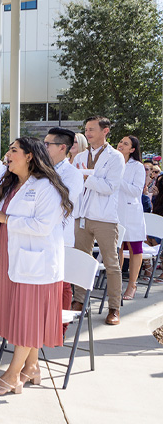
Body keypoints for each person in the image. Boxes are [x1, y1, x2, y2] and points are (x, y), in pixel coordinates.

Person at [0, 137, 72, 395]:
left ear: (30, 156)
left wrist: (3, 219)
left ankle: (12, 376)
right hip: (11, 259)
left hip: (36, 264)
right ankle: (31, 367)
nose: (8, 155)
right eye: (8, 150)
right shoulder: (12, 185)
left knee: (27, 319)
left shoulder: (45, 188)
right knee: (18, 315)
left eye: (14, 150)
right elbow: (5, 219)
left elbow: (42, 226)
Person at [71, 116, 125, 325]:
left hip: (104, 218)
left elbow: (110, 187)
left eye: (92, 129)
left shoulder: (116, 157)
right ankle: (78, 301)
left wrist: (86, 178)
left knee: (111, 264)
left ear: (106, 131)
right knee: (80, 260)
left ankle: (114, 307)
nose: (88, 133)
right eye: (86, 129)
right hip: (82, 216)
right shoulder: (80, 157)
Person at [44, 127, 83, 313]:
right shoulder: (40, 170)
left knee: (62, 283)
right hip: (41, 234)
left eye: (47, 144)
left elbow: (64, 202)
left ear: (62, 147)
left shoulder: (73, 174)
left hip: (61, 236)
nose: (43, 148)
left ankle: (60, 329)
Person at [117, 135, 146, 301]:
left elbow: (136, 191)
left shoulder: (138, 167)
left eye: (125, 143)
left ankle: (132, 284)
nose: (121, 145)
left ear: (132, 149)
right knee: (117, 248)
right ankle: (117, 283)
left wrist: (119, 179)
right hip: (115, 211)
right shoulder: (114, 162)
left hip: (131, 212)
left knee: (135, 247)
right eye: (121, 142)